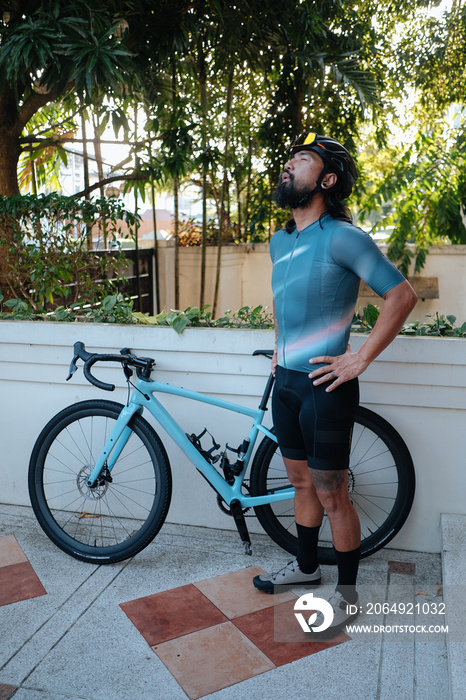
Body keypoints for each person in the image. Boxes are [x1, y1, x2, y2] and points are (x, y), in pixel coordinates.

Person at [253, 131, 418, 633]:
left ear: (325, 179)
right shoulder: (281, 238)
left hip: (327, 388)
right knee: (300, 482)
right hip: (286, 383)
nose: (288, 166)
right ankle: (306, 569)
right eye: (288, 159)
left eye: (299, 160)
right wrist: (280, 352)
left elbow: (402, 296)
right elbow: (285, 303)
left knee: (332, 492)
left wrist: (359, 359)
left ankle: (347, 598)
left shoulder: (344, 237)